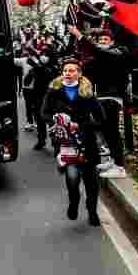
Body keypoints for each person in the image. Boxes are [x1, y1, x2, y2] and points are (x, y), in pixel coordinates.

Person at [42, 57, 105, 227]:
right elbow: (44, 113)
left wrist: (81, 125)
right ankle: (74, 202)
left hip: (86, 142)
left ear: (79, 74)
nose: (67, 73)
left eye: (71, 70)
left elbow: (101, 119)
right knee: (72, 179)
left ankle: (92, 211)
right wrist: (55, 119)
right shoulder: (54, 91)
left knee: (91, 180)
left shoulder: (87, 93)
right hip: (65, 143)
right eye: (65, 71)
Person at [74, 25, 129, 177]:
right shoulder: (99, 57)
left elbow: (101, 52)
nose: (103, 42)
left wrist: (81, 37)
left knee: (112, 132)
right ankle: (113, 160)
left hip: (113, 98)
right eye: (100, 40)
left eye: (106, 40)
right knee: (106, 132)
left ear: (112, 42)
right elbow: (86, 66)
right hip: (101, 98)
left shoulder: (120, 51)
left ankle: (119, 167)